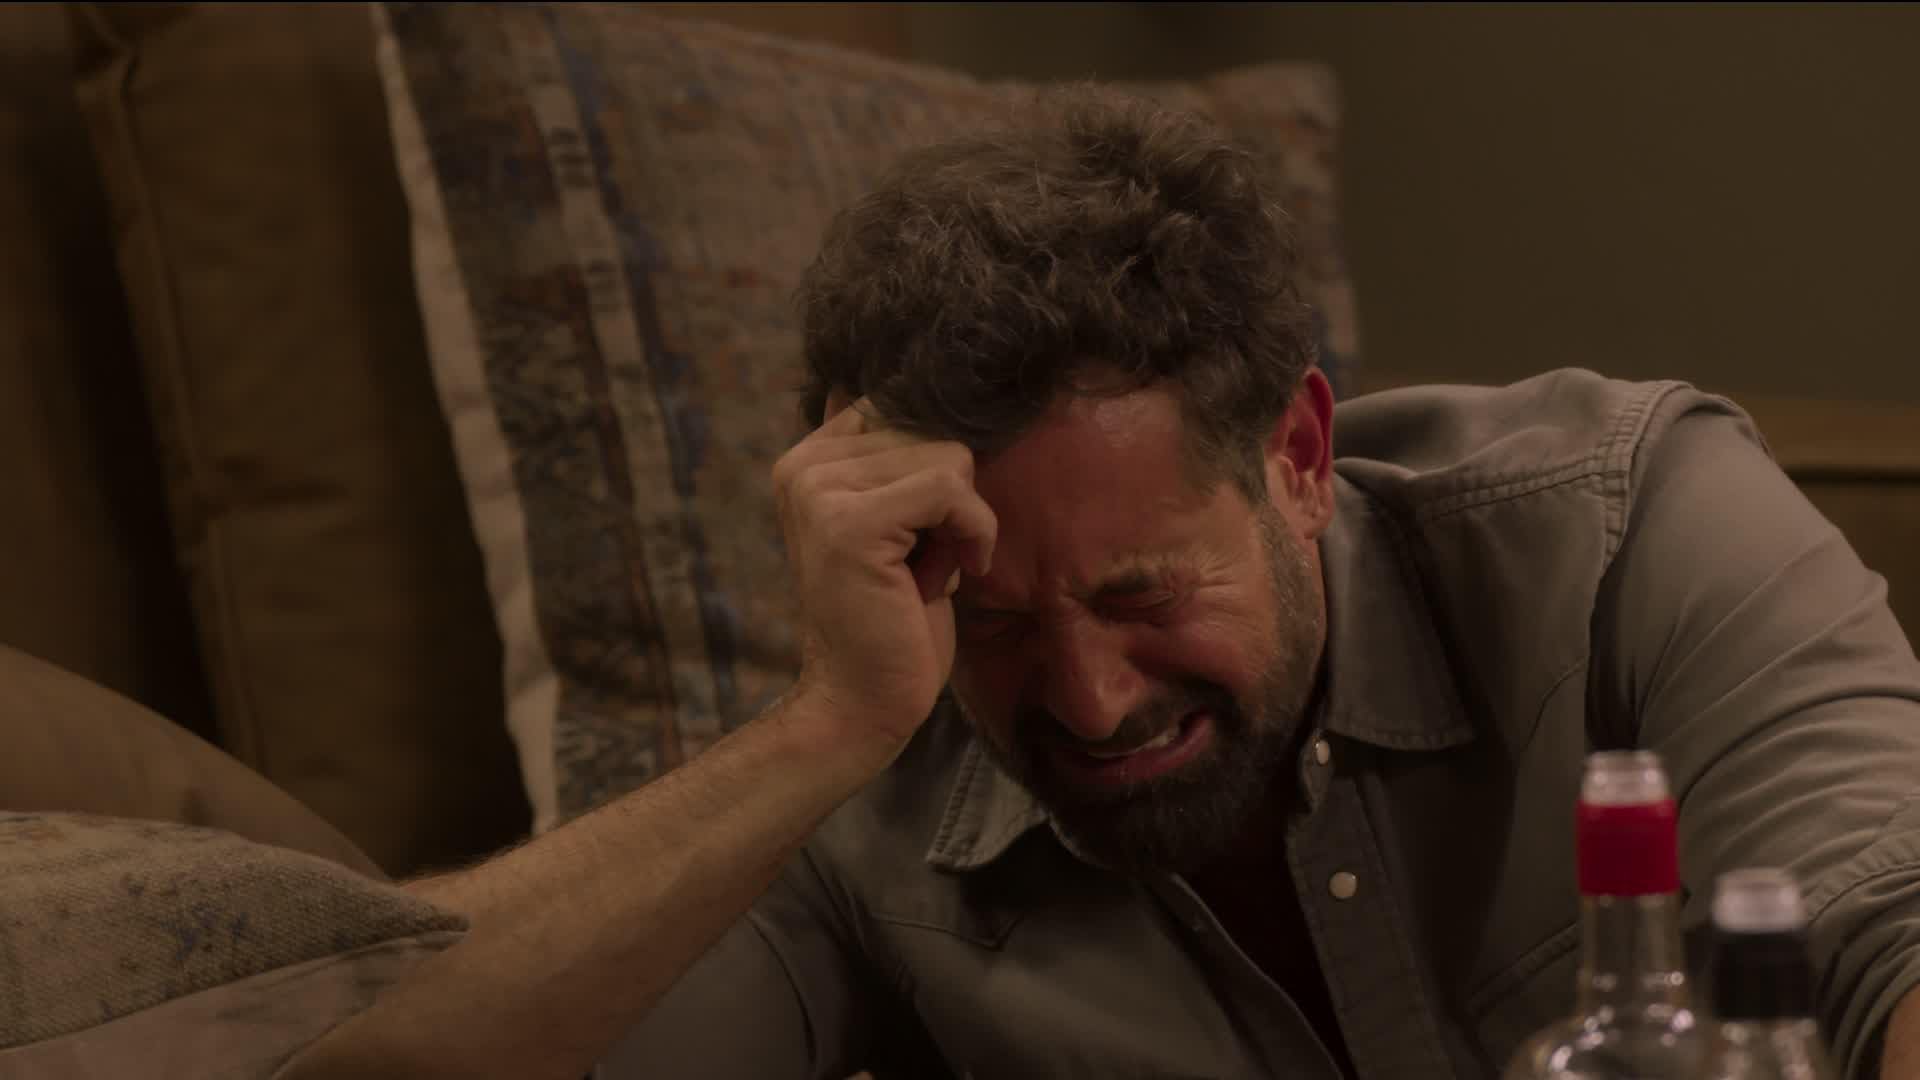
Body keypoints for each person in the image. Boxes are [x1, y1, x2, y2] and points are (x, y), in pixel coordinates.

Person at [280, 86, 1920, 1080]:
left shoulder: (1632, 532)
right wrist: (825, 728)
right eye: (995, 618)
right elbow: (371, 1065)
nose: (1087, 698)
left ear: (1297, 454)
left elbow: (1893, 933)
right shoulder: (870, 786)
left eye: (1143, 593)